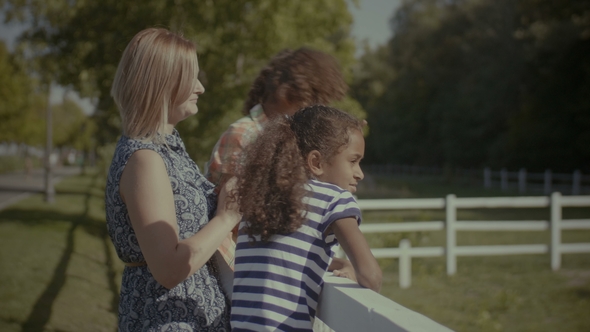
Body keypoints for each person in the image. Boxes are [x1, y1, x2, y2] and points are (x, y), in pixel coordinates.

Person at [105, 28, 240, 331]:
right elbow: (169, 268)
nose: (201, 87)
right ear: (163, 82)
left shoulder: (166, 152)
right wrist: (226, 216)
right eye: (192, 77)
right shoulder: (145, 160)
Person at [230, 105, 382, 331]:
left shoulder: (261, 199)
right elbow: (371, 276)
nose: (359, 173)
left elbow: (286, 257)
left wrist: (339, 264)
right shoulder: (334, 198)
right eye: (353, 161)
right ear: (317, 163)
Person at [205, 47, 348, 189]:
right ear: (287, 93)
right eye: (312, 99)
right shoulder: (244, 135)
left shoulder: (296, 138)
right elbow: (230, 201)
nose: (315, 111)